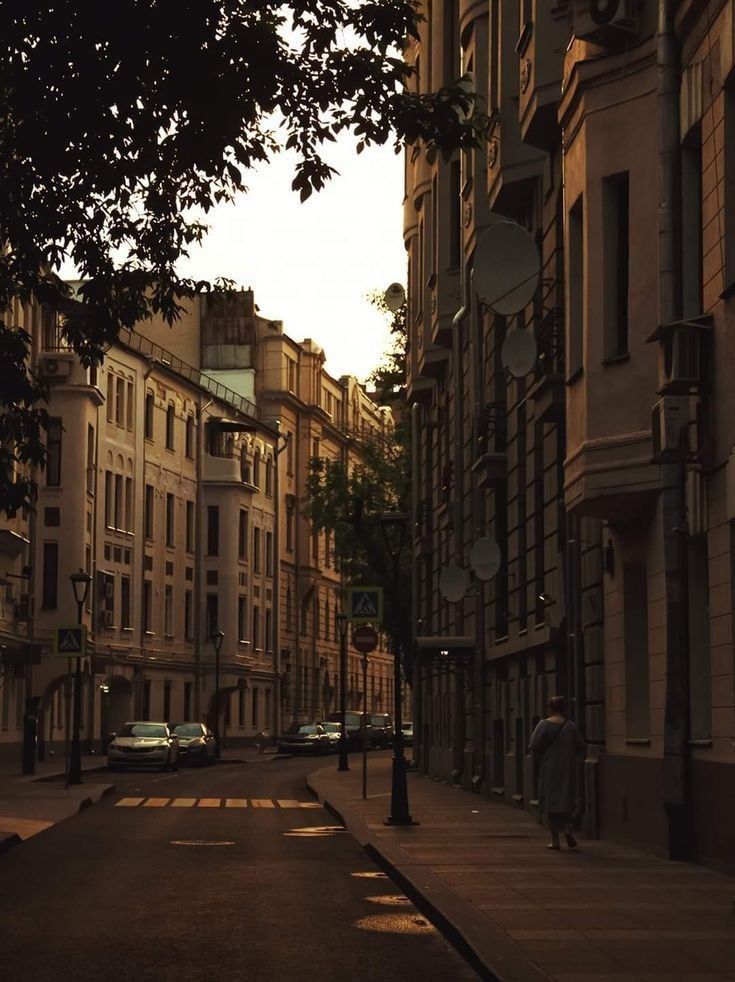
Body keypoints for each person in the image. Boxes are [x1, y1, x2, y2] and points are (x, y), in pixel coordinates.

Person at [528, 695, 586, 850]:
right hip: (568, 770)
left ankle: (555, 841)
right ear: (564, 708)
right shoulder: (571, 726)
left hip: (549, 770)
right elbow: (581, 747)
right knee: (565, 802)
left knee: (551, 805)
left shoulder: (543, 725)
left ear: (550, 708)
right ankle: (567, 829)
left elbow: (533, 745)